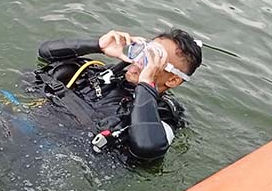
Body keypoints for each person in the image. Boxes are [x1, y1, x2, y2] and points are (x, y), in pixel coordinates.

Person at [29, 28, 202, 161]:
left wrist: (146, 82)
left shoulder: (163, 115)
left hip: (59, 155)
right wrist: (97, 45)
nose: (140, 60)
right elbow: (45, 52)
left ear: (173, 80)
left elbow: (147, 147)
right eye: (145, 51)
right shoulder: (105, 75)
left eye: (153, 59)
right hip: (28, 122)